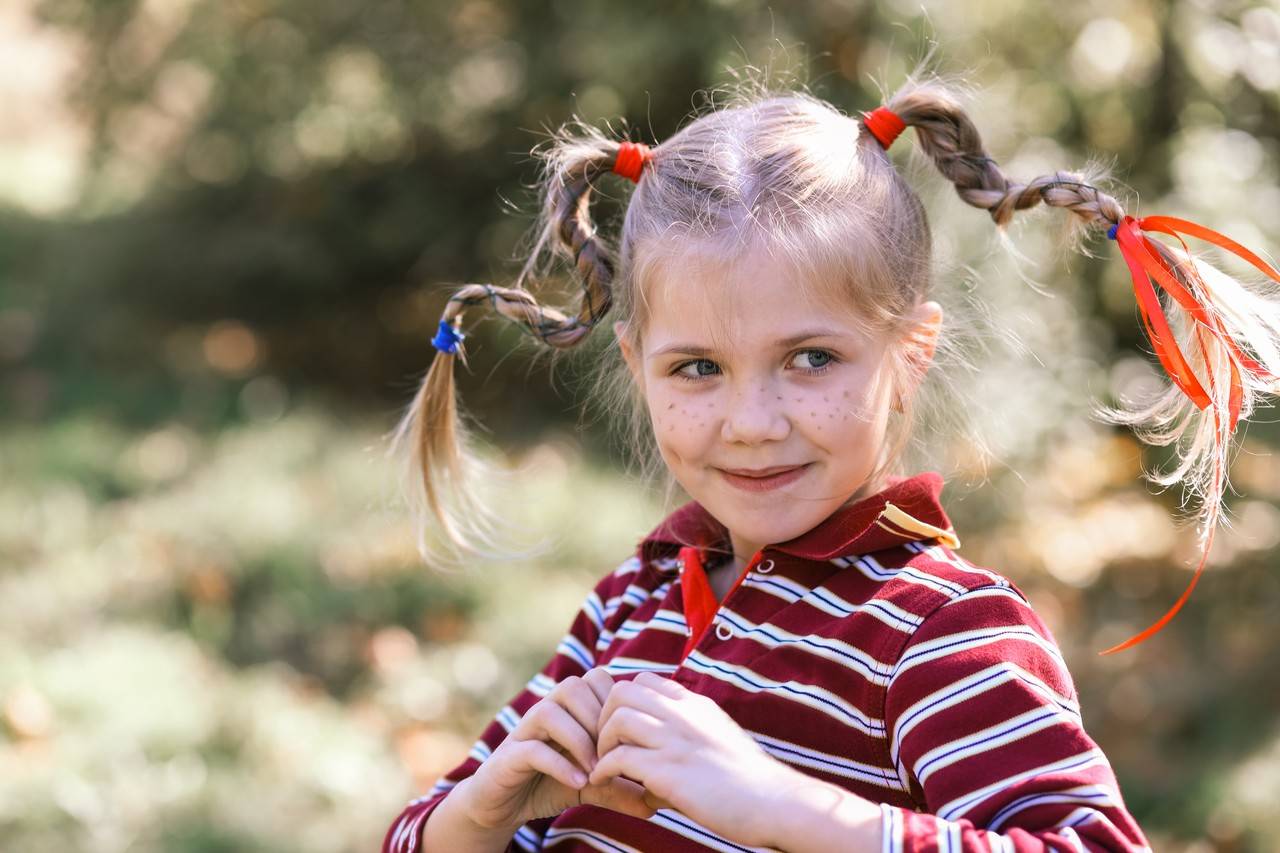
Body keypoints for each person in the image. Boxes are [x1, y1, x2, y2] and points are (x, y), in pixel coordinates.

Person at [380, 67, 1280, 851]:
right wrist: (488, 808)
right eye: (698, 368)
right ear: (636, 368)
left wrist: (783, 807)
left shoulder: (938, 632)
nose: (753, 421)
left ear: (910, 355)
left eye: (810, 358)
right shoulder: (633, 601)